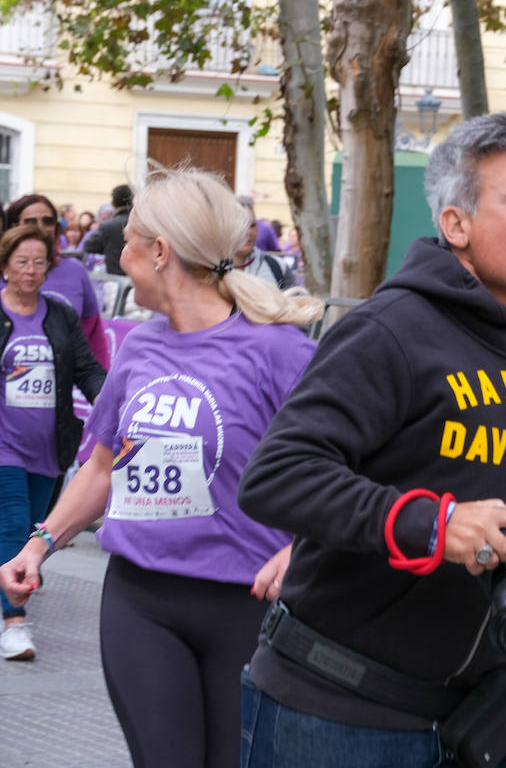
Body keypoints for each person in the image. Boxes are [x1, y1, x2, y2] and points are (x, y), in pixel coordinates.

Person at [235, 111, 506, 766]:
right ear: (456, 224)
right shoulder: (391, 330)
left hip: (472, 720)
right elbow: (277, 475)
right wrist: (434, 526)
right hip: (333, 711)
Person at [0, 168, 321, 767]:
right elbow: (101, 468)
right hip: (140, 600)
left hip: (245, 606)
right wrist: (39, 544)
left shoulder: (281, 352)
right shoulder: (142, 348)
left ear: (160, 251)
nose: (118, 253)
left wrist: (303, 548)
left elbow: (342, 471)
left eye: (129, 239)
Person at [0, 225, 106, 660]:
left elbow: (86, 368)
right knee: (13, 521)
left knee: (35, 530)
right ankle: (15, 625)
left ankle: (12, 586)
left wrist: (111, 399)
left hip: (50, 447)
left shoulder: (59, 314)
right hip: (4, 444)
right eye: (22, 262)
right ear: (5, 266)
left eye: (40, 263)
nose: (31, 271)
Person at [4, 195, 109, 369]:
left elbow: (93, 334)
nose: (41, 228)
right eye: (30, 222)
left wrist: (101, 387)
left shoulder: (75, 270)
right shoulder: (4, 271)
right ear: (14, 227)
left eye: (48, 221)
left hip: (66, 386)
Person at [235, 197, 296, 291]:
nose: (247, 232)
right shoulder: (209, 271)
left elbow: (297, 303)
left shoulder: (277, 267)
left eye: (252, 225)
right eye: (240, 224)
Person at [83, 184, 134, 274]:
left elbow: (89, 246)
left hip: (114, 277)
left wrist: (107, 247)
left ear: (113, 202)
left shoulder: (108, 225)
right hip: (137, 277)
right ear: (132, 200)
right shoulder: (142, 223)